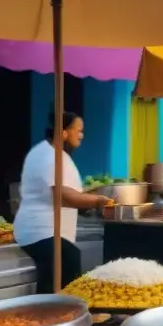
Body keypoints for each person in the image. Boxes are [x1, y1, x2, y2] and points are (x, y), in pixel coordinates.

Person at [14, 112, 112, 294]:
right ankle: (52, 316)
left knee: (62, 271)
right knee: (66, 262)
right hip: (41, 232)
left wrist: (87, 205)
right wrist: (98, 201)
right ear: (64, 132)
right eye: (79, 130)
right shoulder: (50, 157)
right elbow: (63, 196)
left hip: (44, 232)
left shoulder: (53, 153)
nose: (82, 135)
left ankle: (54, 312)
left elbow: (67, 194)